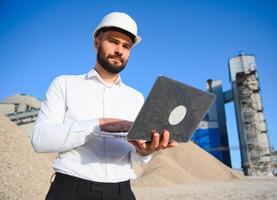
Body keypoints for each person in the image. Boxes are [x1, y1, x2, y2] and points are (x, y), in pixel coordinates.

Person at [31, 12, 177, 200]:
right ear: (96, 42)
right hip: (70, 191)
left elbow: (135, 159)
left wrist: (144, 152)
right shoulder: (64, 84)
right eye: (113, 41)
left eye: (126, 46)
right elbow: (40, 139)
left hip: (122, 193)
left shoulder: (136, 98)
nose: (120, 50)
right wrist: (98, 125)